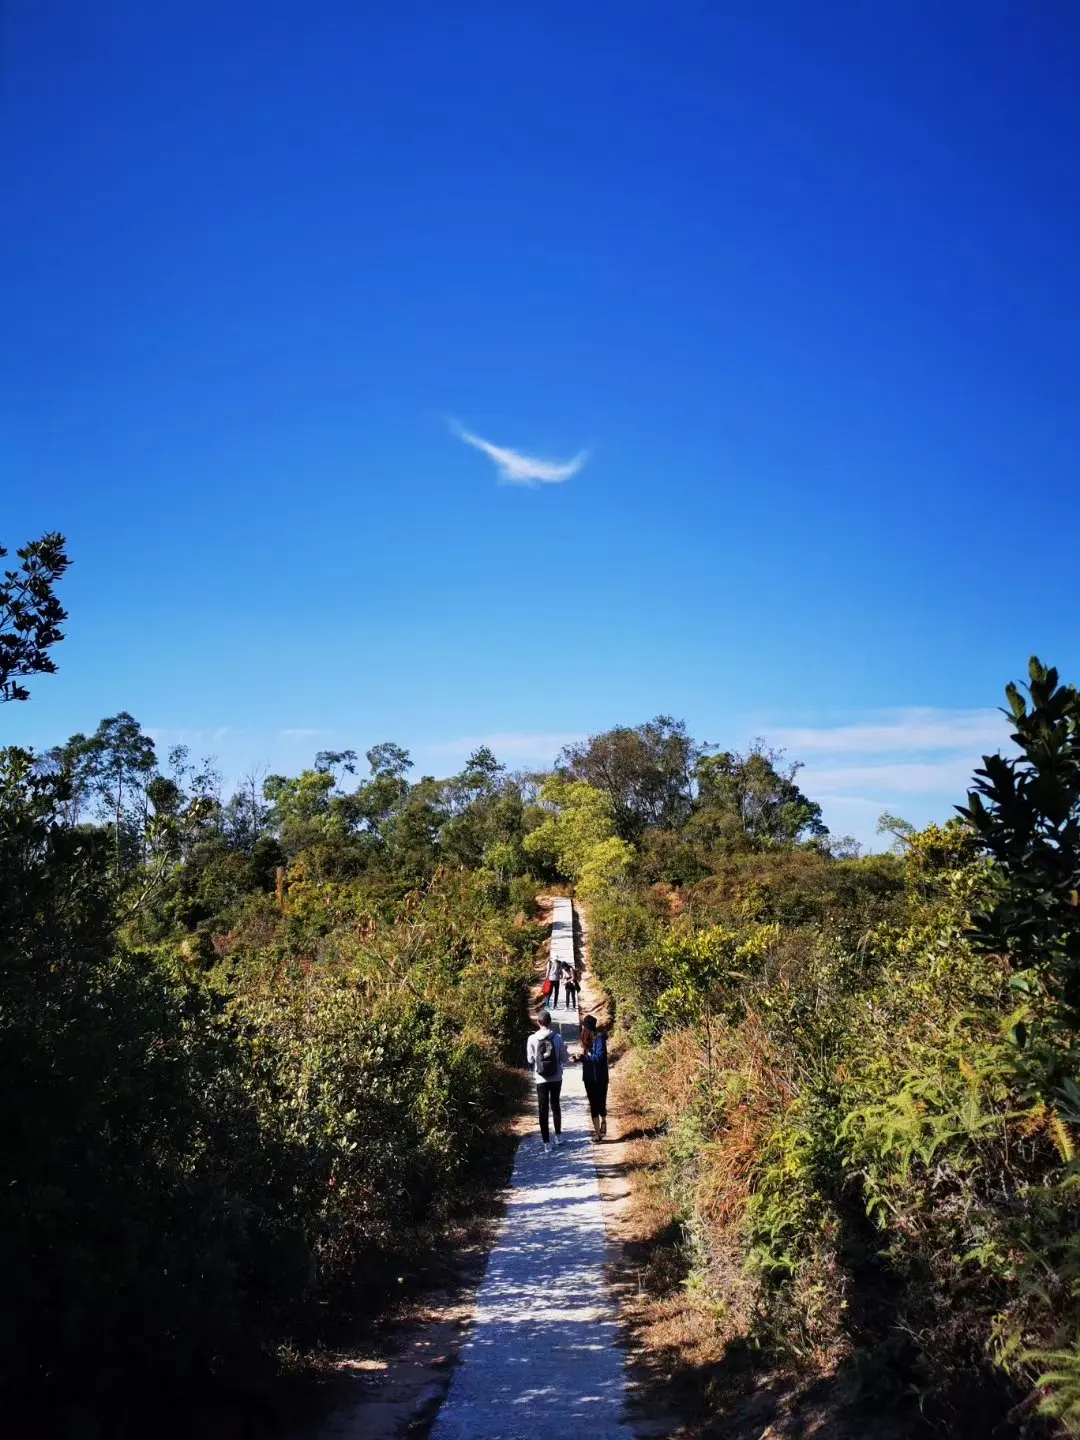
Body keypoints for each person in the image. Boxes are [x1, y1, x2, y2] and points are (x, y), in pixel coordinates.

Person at [527, 1008, 569, 1153]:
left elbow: (530, 1060)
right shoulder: (557, 1037)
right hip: (556, 1077)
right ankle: (558, 1136)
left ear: (538, 1022)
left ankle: (546, 1142)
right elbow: (564, 1059)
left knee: (542, 1108)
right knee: (555, 1105)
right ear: (550, 1022)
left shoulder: (532, 1039)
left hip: (540, 1078)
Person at [579, 1014, 609, 1142]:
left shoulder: (599, 1039)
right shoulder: (586, 1041)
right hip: (589, 1077)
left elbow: (600, 1058)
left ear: (588, 1028)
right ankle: (597, 1134)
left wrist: (585, 1058)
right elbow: (587, 1059)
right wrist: (578, 1059)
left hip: (600, 1078)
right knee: (593, 1105)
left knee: (601, 1103)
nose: (582, 1029)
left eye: (583, 1027)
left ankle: (604, 1121)